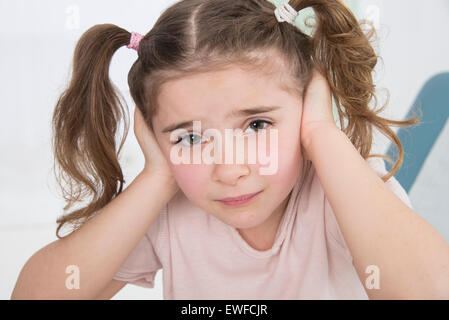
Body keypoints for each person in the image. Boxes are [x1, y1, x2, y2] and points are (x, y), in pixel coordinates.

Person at [11, 0, 449, 300]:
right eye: (191, 136)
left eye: (257, 125)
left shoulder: (344, 192)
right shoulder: (169, 211)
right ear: (156, 136)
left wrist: (321, 132)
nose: (229, 168)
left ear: (307, 103)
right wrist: (157, 178)